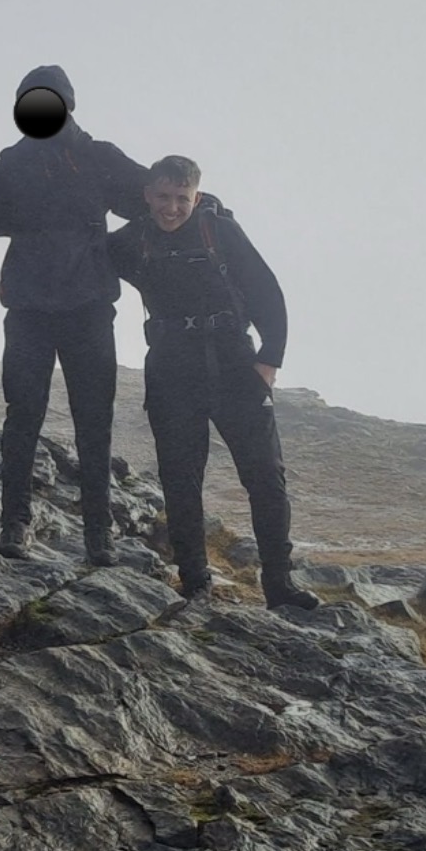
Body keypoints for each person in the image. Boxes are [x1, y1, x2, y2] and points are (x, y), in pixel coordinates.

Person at [108, 155, 319, 610]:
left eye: (182, 199)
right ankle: (195, 582)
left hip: (234, 364)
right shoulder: (131, 239)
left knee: (266, 477)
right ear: (147, 196)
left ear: (196, 196)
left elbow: (267, 292)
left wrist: (270, 360)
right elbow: (87, 260)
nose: (171, 208)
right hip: (170, 368)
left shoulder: (218, 231)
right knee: (180, 480)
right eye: (163, 197)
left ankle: (279, 585)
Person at [0, 65, 151, 566]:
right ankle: (15, 523)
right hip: (27, 310)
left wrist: (108, 251)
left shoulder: (98, 157)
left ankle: (99, 532)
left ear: (67, 104)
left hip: (90, 309)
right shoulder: (12, 164)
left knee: (94, 421)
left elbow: (151, 197)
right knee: (22, 416)